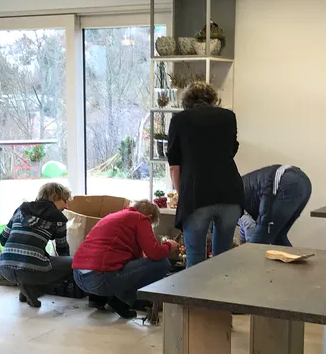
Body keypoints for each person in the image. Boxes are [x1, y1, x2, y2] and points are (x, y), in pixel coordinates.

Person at [167, 81, 244, 268]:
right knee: (223, 259)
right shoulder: (228, 117)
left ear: (186, 101)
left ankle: (195, 297)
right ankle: (220, 297)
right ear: (212, 98)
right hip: (230, 193)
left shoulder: (180, 120)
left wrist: (180, 193)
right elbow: (231, 151)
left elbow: (174, 165)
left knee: (195, 260)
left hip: (196, 195)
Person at [72, 200, 178, 319]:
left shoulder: (113, 216)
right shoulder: (140, 218)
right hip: (101, 278)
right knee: (162, 263)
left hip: (79, 277)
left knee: (114, 264)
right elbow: (154, 253)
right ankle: (123, 301)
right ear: (150, 217)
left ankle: (101, 299)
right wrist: (169, 246)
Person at [0, 183, 74, 308]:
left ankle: (26, 289)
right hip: (31, 270)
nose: (66, 206)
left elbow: (3, 239)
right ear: (55, 197)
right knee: (73, 264)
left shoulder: (21, 209)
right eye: (64, 200)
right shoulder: (58, 217)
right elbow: (62, 249)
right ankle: (34, 290)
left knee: (40, 259)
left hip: (5, 268)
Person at [238, 165, 312, 246]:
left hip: (285, 182)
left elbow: (249, 225)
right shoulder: (233, 191)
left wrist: (244, 248)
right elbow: (244, 223)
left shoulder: (228, 203)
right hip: (303, 182)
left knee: (256, 243)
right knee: (278, 237)